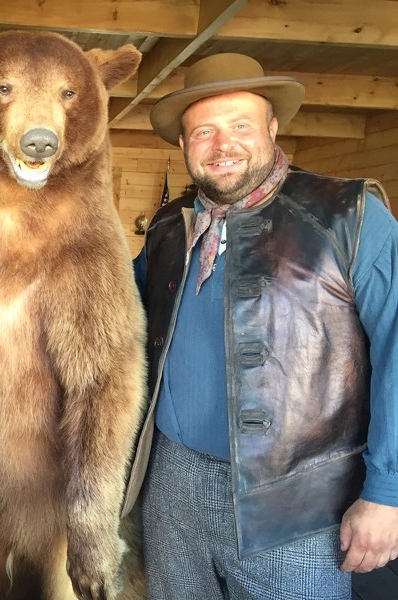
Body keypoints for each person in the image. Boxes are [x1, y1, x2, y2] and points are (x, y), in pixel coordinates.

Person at [122, 53, 398, 599]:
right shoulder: (167, 230)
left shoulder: (349, 215)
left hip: (297, 499)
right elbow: (109, 310)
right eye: (204, 131)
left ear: (273, 128)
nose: (223, 146)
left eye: (241, 125)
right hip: (171, 479)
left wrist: (387, 490)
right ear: (182, 145)